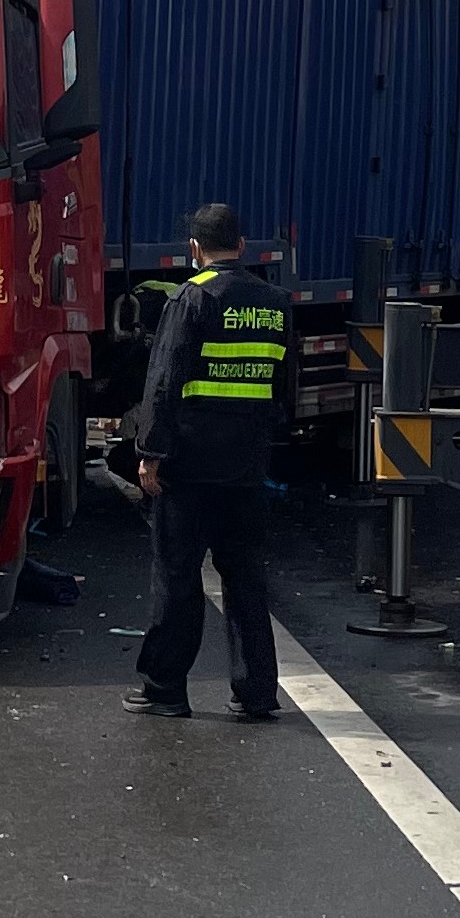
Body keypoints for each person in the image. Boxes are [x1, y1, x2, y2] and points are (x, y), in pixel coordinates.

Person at [123, 202, 290, 723]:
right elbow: (284, 388)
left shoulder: (191, 298)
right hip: (247, 465)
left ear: (194, 249)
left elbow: (164, 381)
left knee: (177, 575)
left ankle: (165, 690)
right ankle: (256, 693)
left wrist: (150, 453)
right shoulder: (275, 303)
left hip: (190, 466)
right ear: (242, 246)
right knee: (246, 578)